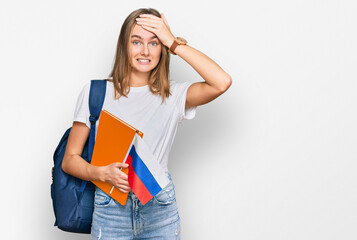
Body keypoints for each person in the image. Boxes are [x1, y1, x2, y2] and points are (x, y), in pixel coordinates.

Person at [62, 8, 232, 240]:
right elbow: (69, 160)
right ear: (124, 46)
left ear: (162, 49)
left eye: (154, 43)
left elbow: (221, 82)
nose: (145, 51)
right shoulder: (96, 92)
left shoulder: (173, 95)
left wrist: (172, 41)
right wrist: (99, 173)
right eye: (136, 42)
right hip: (110, 207)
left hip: (159, 207)